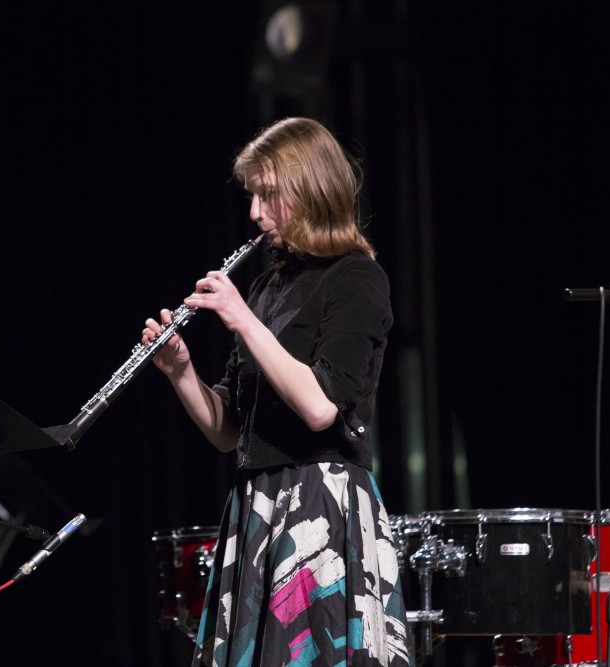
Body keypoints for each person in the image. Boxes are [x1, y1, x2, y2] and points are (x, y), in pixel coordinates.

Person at [142, 117, 413, 666]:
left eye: (268, 195)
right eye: (252, 196)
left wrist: (242, 319)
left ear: (311, 190)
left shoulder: (356, 278)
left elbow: (319, 407)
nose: (254, 213)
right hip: (257, 502)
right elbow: (227, 433)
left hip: (319, 500)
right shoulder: (269, 288)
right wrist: (180, 370)